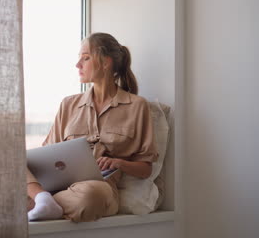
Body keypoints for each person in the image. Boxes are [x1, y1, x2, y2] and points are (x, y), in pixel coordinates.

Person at [26, 32, 159, 222]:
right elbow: (47, 152)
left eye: (85, 58)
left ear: (106, 63)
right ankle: (42, 199)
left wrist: (119, 163)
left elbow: (145, 169)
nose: (77, 65)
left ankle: (41, 203)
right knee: (11, 160)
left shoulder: (137, 106)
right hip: (56, 185)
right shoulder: (68, 104)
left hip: (99, 188)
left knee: (89, 197)